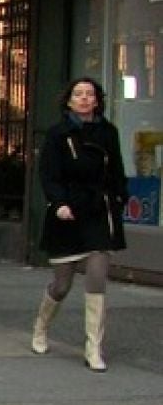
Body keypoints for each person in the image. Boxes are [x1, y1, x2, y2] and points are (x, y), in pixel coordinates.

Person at [31, 76, 128, 372]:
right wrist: (58, 203)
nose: (85, 98)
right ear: (70, 101)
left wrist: (120, 197)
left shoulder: (108, 132)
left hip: (98, 211)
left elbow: (117, 170)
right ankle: (40, 328)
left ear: (97, 100)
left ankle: (93, 348)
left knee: (97, 275)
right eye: (79, 94)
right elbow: (49, 174)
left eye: (90, 94)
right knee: (62, 284)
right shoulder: (58, 134)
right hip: (68, 213)